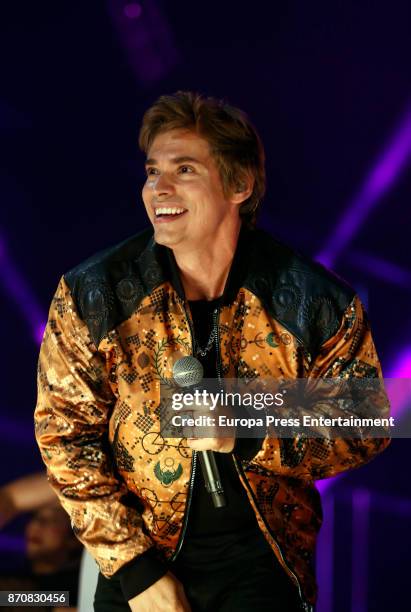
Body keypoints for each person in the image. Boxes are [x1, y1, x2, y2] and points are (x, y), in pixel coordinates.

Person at [34, 91, 390, 611]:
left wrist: (244, 423)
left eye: (184, 169)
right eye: (153, 171)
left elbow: (368, 416)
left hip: (264, 567)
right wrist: (135, 570)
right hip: (141, 566)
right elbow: (62, 434)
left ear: (239, 185)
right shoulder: (96, 292)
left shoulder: (315, 300)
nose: (160, 187)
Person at [0, 475, 81, 612]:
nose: (37, 525)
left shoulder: (90, 572)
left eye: (52, 519)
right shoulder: (18, 585)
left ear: (74, 539)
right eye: (35, 518)